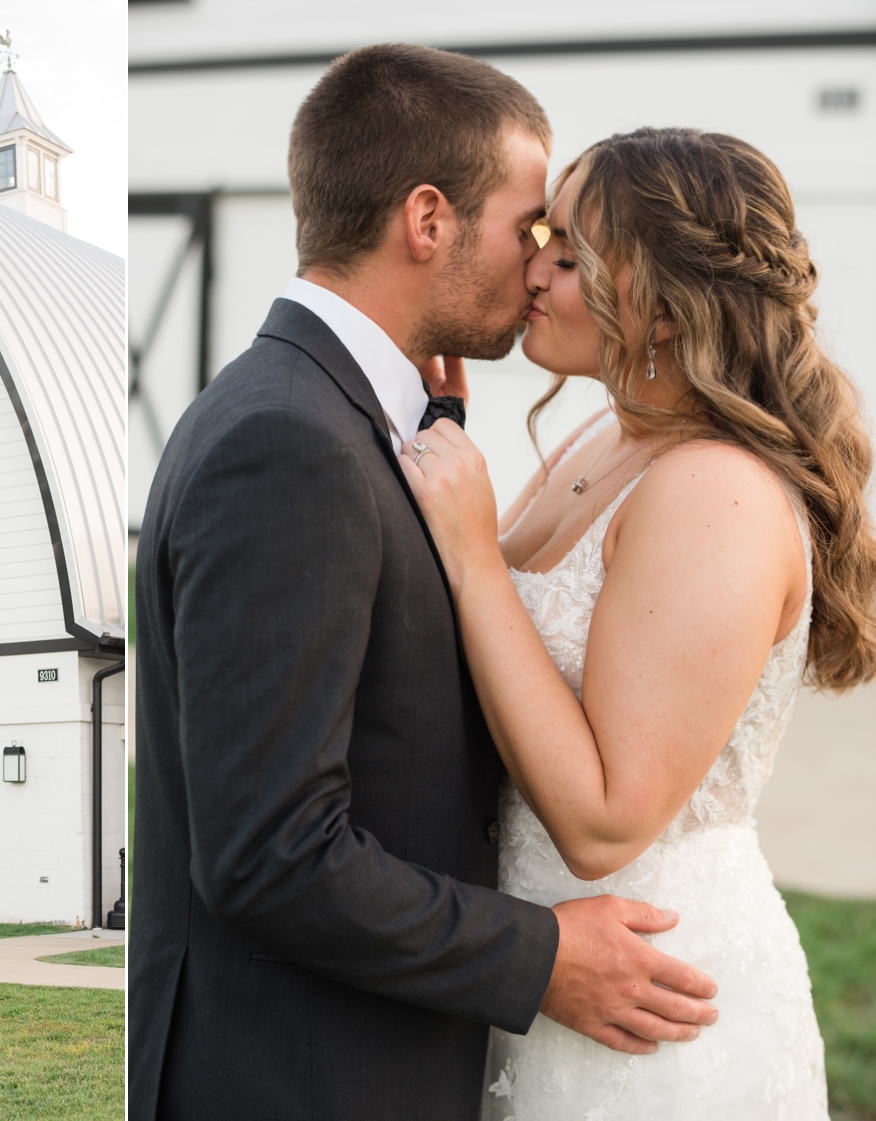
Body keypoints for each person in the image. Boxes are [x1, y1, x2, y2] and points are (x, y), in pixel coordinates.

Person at [128, 45, 718, 1121]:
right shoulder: (288, 442)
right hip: (300, 1077)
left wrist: (436, 438)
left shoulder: (337, 418)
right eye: (529, 227)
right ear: (429, 221)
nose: (540, 265)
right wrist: (538, 955)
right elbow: (270, 852)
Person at [401, 126, 870, 1119]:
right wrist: (439, 432)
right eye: (541, 236)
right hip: (542, 971)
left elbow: (607, 818)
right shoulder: (611, 429)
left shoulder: (715, 492)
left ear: (658, 307)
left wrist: (476, 551)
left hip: (650, 1012)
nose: (532, 269)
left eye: (568, 256)